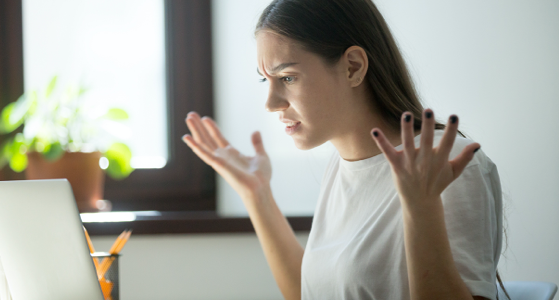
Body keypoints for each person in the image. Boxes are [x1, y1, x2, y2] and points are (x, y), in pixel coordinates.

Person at [182, 0, 508, 299]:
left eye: (288, 77)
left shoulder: (446, 163)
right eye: (265, 80)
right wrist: (257, 195)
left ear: (353, 67)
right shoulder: (341, 167)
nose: (271, 103)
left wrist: (421, 208)